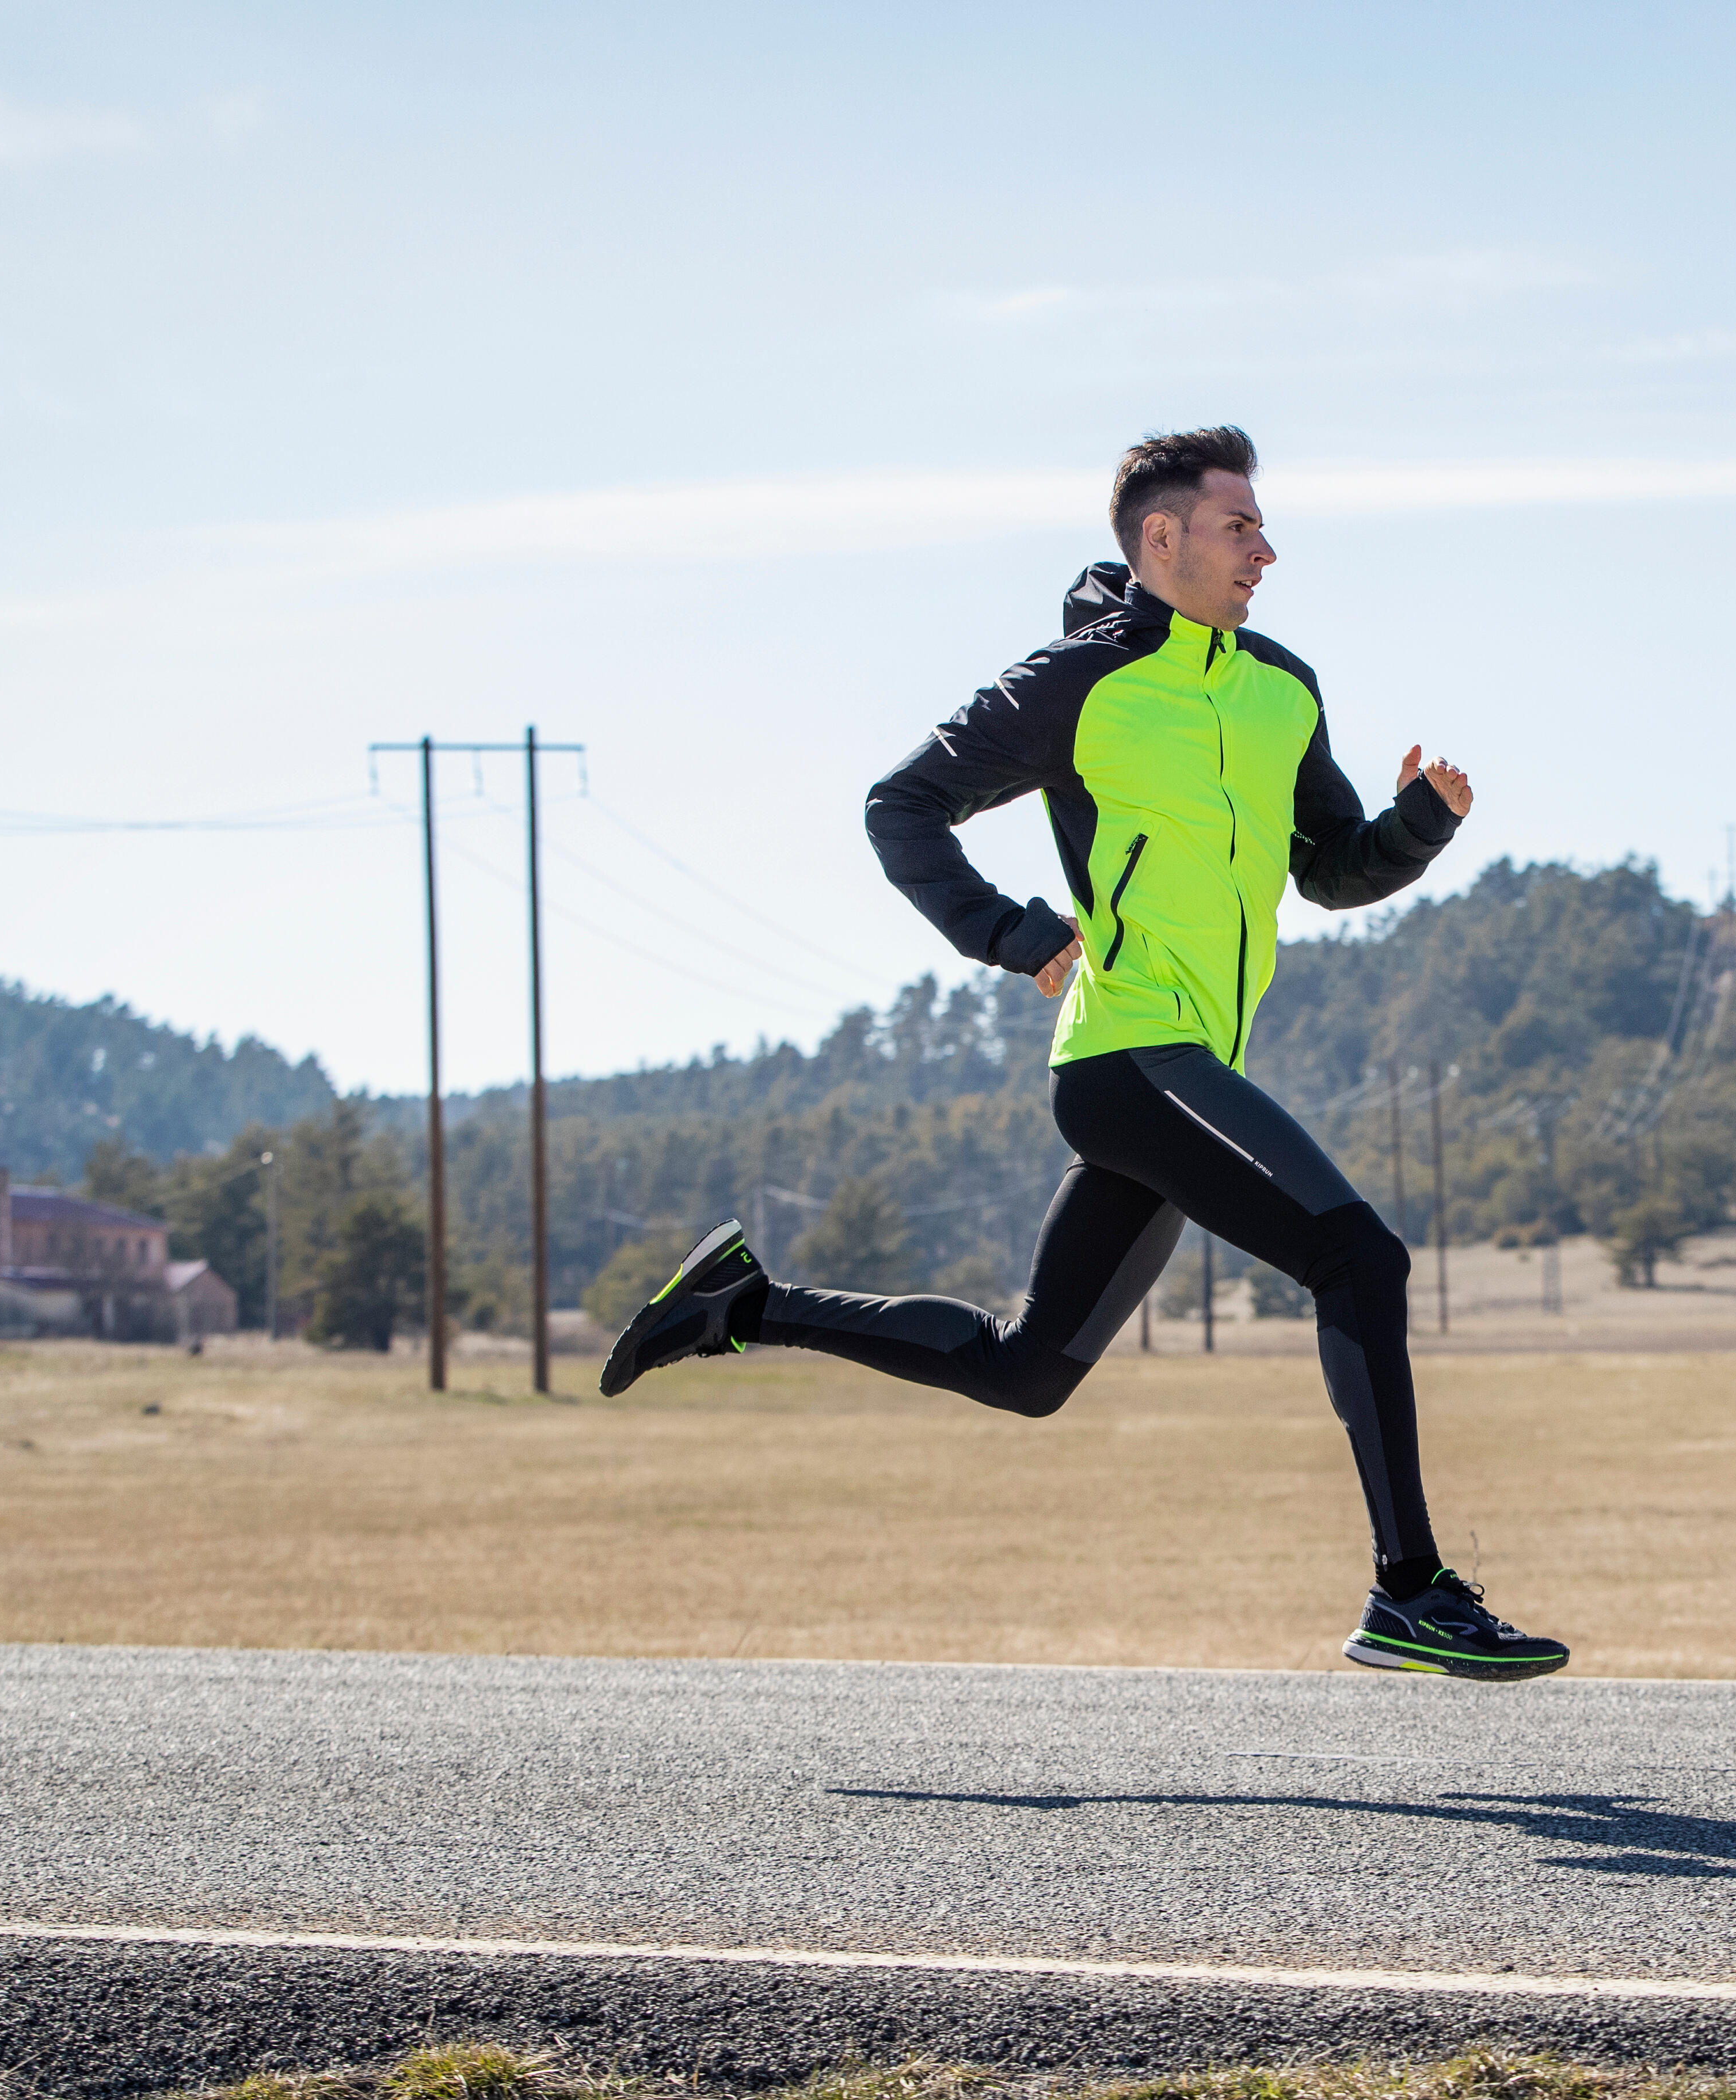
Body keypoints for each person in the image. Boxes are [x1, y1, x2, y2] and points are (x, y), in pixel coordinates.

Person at [601, 427, 1566, 1681]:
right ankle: (1410, 1591)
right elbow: (902, 807)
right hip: (1126, 1054)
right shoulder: (1080, 683)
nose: (1266, 552)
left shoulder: (1282, 688)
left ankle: (744, 1305)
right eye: (1239, 528)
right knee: (1358, 1257)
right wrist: (1009, 933)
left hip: (1184, 1066)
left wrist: (1418, 829)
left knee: (1030, 1369)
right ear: (1161, 540)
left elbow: (1325, 872)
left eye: (1264, 528)